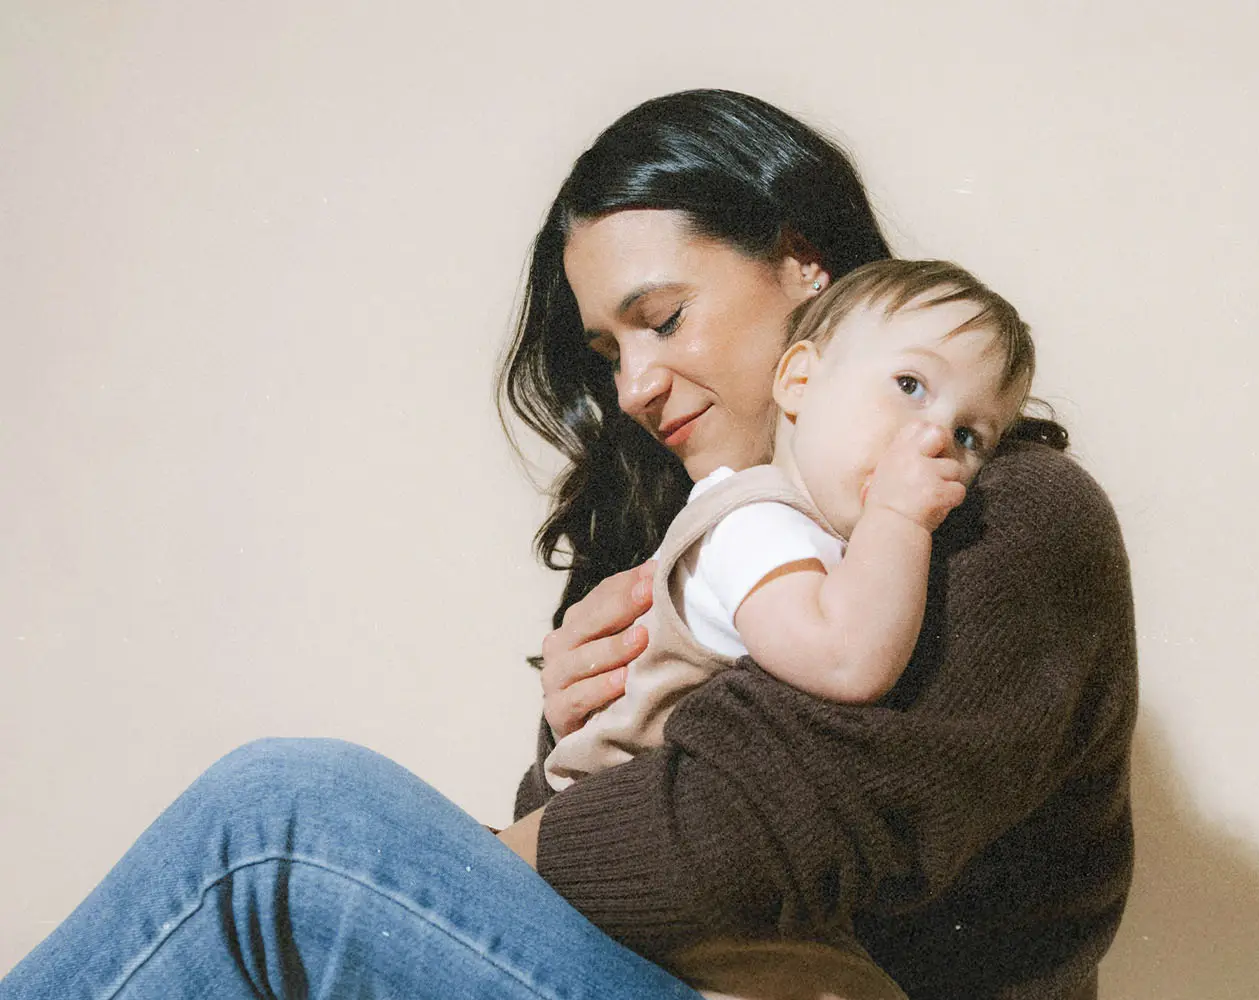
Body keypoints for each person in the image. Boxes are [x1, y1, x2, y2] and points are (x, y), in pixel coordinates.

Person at [0, 89, 1135, 1000]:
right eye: (607, 348)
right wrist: (571, 721)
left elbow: (741, 840)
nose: (634, 386)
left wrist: (448, 859)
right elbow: (610, 851)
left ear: (803, 266)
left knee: (283, 820)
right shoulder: (705, 530)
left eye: (663, 318)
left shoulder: (1003, 512)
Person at [541, 259, 1038, 1000]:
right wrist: (898, 518)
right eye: (909, 387)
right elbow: (846, 660)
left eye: (970, 434)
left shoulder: (823, 534)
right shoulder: (752, 523)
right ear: (799, 380)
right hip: (638, 893)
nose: (935, 439)